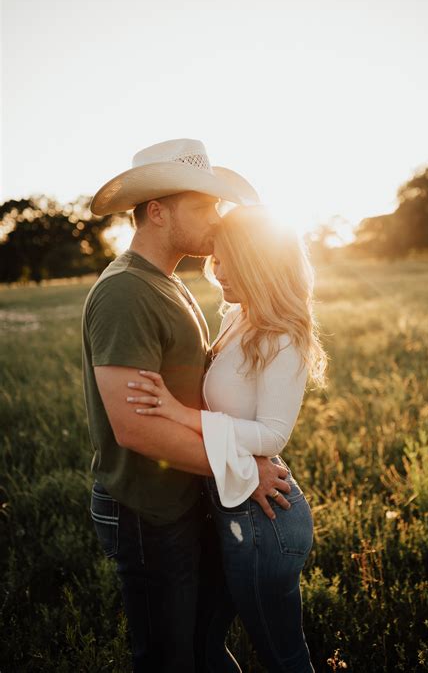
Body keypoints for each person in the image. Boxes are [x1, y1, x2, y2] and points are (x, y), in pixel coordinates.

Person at [82, 138, 293, 673]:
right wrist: (245, 468)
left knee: (201, 647)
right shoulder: (125, 292)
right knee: (167, 658)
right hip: (145, 505)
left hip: (182, 494)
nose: (217, 217)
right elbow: (137, 429)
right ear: (158, 211)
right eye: (204, 205)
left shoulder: (167, 283)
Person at [125, 205, 328, 672]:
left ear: (260, 263)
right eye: (216, 259)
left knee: (282, 656)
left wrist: (180, 413)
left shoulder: (282, 336)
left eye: (228, 261)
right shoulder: (238, 317)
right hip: (229, 503)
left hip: (264, 519)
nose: (218, 273)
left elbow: (273, 433)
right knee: (202, 643)